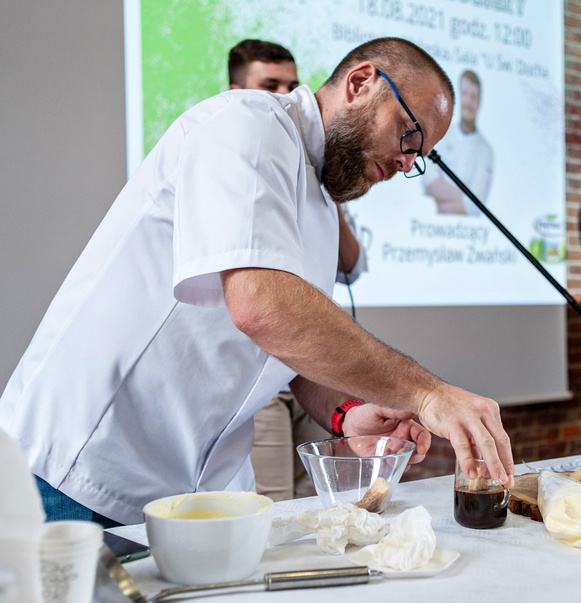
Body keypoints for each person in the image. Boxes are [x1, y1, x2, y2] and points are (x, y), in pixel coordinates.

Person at [0, 37, 514, 527]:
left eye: (418, 156)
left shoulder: (320, 195)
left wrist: (347, 412)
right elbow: (261, 307)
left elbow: (283, 349)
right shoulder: (248, 123)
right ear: (361, 82)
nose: (406, 161)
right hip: (79, 469)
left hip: (198, 494)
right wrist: (428, 395)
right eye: (409, 134)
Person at [228, 39, 365, 501]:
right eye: (270, 86)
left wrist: (333, 196)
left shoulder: (317, 174)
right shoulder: (236, 152)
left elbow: (351, 266)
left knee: (330, 495)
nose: (284, 96)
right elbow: (256, 305)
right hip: (258, 380)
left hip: (306, 372)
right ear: (236, 90)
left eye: (291, 85)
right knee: (272, 504)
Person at [424, 70, 494, 216]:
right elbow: (428, 181)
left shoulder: (486, 151)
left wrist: (442, 201)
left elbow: (475, 206)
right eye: (465, 94)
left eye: (473, 96)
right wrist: (464, 197)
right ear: (458, 97)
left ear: (479, 101)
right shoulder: (441, 134)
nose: (468, 102)